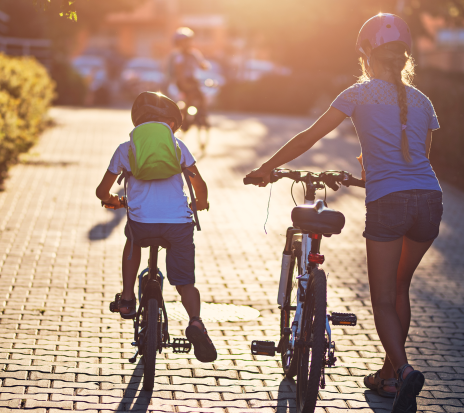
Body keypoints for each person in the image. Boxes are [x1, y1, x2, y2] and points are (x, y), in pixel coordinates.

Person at [245, 13, 440, 413]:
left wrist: (268, 167)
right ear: (404, 57)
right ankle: (388, 378)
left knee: (383, 297)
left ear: (367, 55)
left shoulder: (358, 93)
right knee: (400, 287)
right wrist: (371, 173)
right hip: (430, 200)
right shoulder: (423, 101)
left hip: (390, 203)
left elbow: (310, 136)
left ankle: (403, 372)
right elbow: (419, 159)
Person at [96, 91, 217, 363]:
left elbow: (101, 191)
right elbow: (199, 184)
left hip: (142, 222)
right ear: (172, 124)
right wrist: (201, 203)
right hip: (178, 224)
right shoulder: (178, 146)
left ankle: (127, 298)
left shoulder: (126, 149)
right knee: (186, 283)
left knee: (133, 240)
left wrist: (115, 201)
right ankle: (195, 321)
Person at [169, 27, 211, 132]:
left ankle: (203, 116)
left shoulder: (194, 54)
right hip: (182, 81)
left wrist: (205, 66)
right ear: (178, 43)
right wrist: (184, 83)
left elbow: (202, 64)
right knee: (190, 95)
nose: (187, 44)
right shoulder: (179, 56)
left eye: (188, 41)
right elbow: (179, 73)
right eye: (183, 42)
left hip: (192, 80)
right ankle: (184, 118)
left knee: (202, 96)